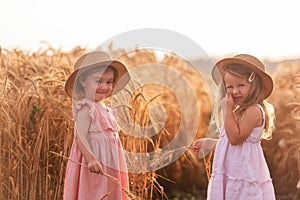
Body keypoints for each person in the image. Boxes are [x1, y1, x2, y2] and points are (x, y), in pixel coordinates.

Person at [192, 54, 276, 199]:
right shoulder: (237, 112)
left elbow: (235, 139)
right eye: (229, 86)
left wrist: (227, 111)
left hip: (243, 174)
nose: (235, 91)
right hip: (232, 171)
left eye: (241, 85)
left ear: (254, 85)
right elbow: (231, 146)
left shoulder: (253, 110)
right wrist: (209, 143)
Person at [63, 51, 131, 200]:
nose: (104, 87)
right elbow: (79, 136)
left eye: (109, 82)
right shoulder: (86, 108)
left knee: (111, 193)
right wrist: (91, 158)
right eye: (98, 81)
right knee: (95, 193)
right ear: (83, 81)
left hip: (111, 164)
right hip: (94, 165)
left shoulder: (106, 109)